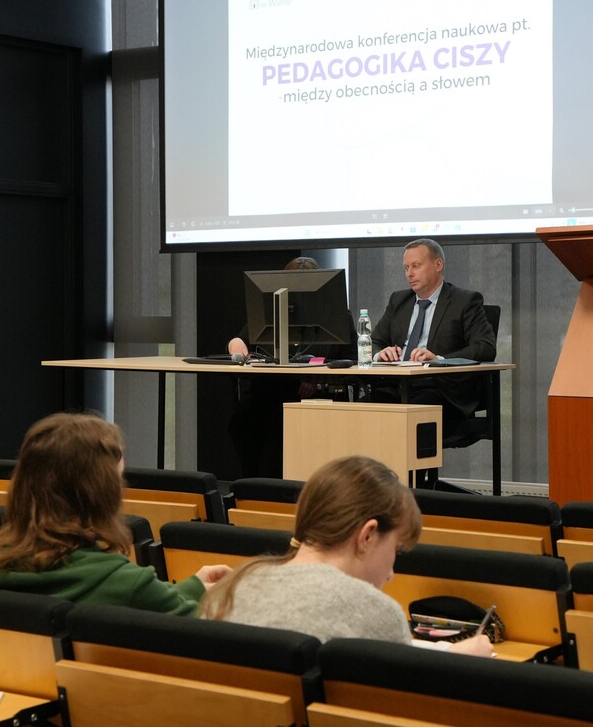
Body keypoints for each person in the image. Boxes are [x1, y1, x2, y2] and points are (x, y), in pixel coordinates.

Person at [201, 455, 493, 656]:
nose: (392, 574)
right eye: (396, 550)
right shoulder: (374, 611)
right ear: (367, 536)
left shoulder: (235, 587)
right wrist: (460, 662)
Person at [0, 412, 229, 612]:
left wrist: (195, 587)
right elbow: (197, 628)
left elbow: (148, 603)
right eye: (117, 481)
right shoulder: (122, 582)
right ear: (100, 496)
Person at [226, 256, 354, 479]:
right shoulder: (273, 313)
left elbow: (352, 360)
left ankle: (271, 486)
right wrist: (235, 344)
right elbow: (240, 340)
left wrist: (319, 378)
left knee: (278, 424)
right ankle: (251, 484)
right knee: (242, 417)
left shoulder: (338, 315)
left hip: (318, 393)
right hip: (273, 389)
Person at [368, 238, 496, 422]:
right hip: (396, 386)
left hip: (441, 390)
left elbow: (485, 347)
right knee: (359, 410)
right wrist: (380, 354)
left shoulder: (465, 301)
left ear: (438, 265)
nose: (409, 274)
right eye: (406, 268)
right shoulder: (398, 300)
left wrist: (439, 360)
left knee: (411, 414)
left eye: (416, 266)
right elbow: (373, 342)